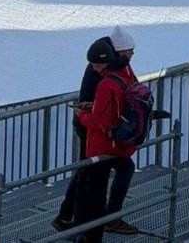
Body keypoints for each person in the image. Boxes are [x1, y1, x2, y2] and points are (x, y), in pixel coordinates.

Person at [54, 27, 140, 235]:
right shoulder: (104, 71)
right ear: (119, 51)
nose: (132, 55)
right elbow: (99, 106)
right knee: (95, 175)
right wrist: (85, 115)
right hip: (98, 131)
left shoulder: (114, 66)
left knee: (92, 171)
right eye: (129, 51)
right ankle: (90, 223)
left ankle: (70, 218)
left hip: (100, 129)